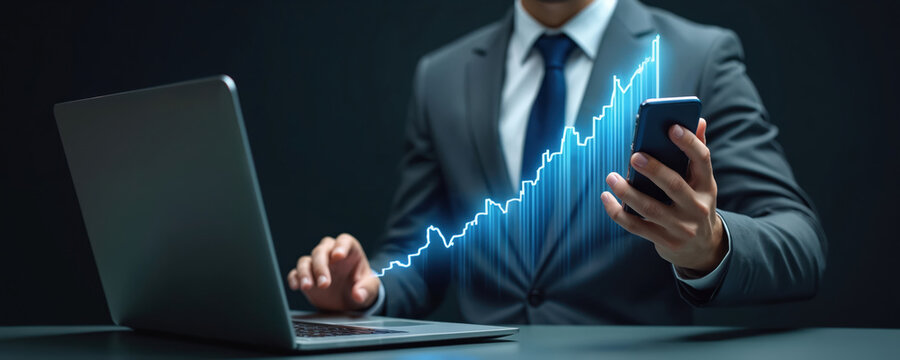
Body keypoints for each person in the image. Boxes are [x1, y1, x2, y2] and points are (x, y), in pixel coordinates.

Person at [286, 0, 827, 324]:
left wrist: (709, 245)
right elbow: (419, 254)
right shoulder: (442, 76)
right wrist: (366, 288)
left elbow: (800, 242)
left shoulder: (698, 56)